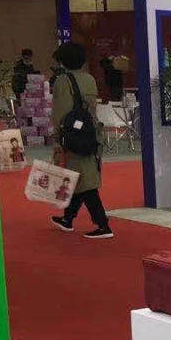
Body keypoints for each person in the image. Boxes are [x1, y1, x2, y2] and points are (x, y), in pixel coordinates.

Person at [49, 42, 112, 239]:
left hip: (73, 136)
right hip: (90, 132)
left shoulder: (62, 81)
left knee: (85, 182)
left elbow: (60, 113)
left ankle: (102, 224)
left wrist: (57, 139)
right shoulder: (89, 79)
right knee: (79, 175)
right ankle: (68, 218)